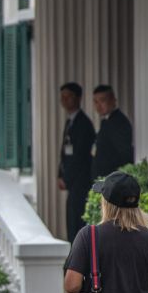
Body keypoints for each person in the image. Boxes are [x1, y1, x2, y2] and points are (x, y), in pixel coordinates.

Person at [57, 82, 96, 240]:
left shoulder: (84, 124)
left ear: (78, 98)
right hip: (71, 181)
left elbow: (80, 155)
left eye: (69, 97)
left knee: (77, 220)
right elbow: (65, 152)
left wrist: (67, 179)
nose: (65, 101)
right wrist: (60, 174)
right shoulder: (70, 122)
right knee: (71, 219)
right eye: (63, 97)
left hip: (80, 181)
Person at [91, 85, 134, 181]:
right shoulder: (106, 121)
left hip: (112, 179)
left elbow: (124, 154)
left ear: (113, 100)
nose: (98, 106)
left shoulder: (118, 122)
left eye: (102, 101)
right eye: (96, 102)